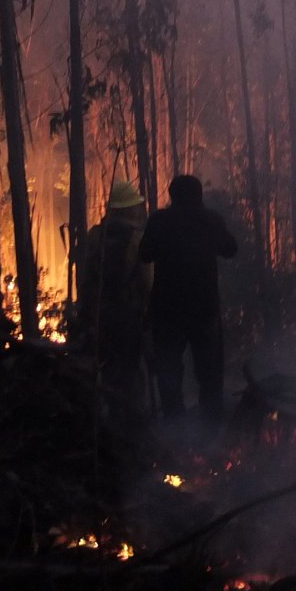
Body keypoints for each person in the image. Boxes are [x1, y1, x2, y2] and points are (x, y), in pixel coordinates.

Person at [139, 174, 237, 426]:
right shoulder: (211, 220)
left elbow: (144, 254)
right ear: (199, 194)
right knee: (209, 373)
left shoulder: (160, 221)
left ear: (172, 195)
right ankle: (211, 427)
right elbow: (230, 249)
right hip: (204, 309)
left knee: (169, 372)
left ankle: (175, 428)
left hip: (167, 310)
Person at [76, 179, 151, 420]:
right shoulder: (138, 240)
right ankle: (131, 425)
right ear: (131, 209)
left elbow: (86, 277)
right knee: (130, 373)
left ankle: (107, 422)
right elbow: (148, 282)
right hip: (128, 319)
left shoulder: (94, 236)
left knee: (105, 372)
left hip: (97, 319)